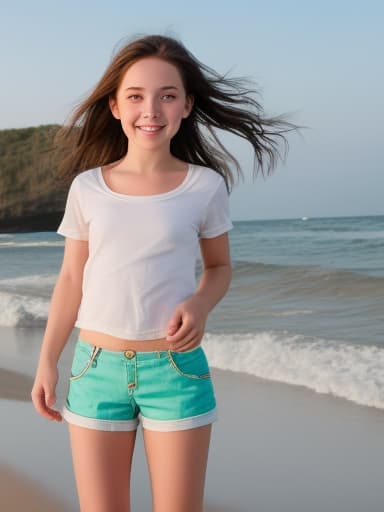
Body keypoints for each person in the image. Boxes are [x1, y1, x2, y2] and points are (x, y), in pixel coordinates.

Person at [31, 34, 300, 512]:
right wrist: (47, 359)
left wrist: (199, 304)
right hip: (96, 368)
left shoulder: (205, 186)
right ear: (115, 106)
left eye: (167, 96)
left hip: (176, 370)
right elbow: (72, 277)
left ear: (186, 106)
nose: (150, 109)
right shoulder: (88, 188)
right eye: (135, 96)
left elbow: (218, 267)